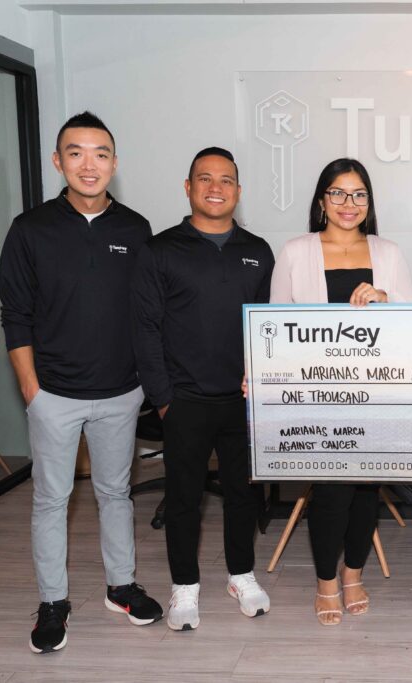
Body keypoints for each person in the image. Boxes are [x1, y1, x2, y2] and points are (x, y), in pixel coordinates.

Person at [0, 111, 163, 654]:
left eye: (100, 153)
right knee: (52, 499)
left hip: (121, 392)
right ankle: (53, 603)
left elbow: (148, 312)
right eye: (76, 152)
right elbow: (15, 315)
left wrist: (144, 383)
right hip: (54, 395)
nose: (88, 164)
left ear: (114, 163)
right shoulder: (30, 229)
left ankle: (121, 587)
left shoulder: (136, 229)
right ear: (58, 161)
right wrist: (32, 390)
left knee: (116, 493)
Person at [131, 147, 274, 631]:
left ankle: (241, 575)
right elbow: (145, 329)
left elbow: (266, 329)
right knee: (184, 500)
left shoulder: (259, 251)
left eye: (226, 180)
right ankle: (185, 586)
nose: (216, 188)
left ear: (238, 190)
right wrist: (164, 399)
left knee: (242, 495)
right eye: (205, 178)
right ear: (188, 187)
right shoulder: (160, 250)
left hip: (242, 401)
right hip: (184, 401)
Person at [269, 158, 412, 626]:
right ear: (321, 200)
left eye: (358, 194)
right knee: (332, 493)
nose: (348, 203)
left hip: (376, 394)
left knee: (367, 491)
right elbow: (275, 325)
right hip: (317, 395)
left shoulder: (388, 252)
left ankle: (354, 574)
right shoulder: (296, 251)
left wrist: (386, 300)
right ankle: (326, 582)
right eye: (338, 192)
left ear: (369, 202)